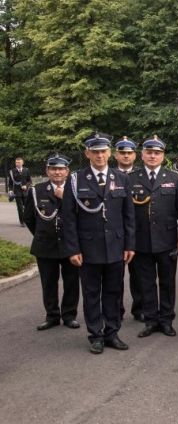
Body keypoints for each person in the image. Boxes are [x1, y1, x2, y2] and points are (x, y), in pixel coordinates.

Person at [61, 133, 135, 354]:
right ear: (87, 154)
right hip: (88, 249)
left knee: (114, 292)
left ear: (110, 153)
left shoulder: (121, 178)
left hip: (116, 247)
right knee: (92, 293)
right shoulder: (75, 180)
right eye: (95, 152)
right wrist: (73, 249)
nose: (100, 155)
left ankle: (112, 332)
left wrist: (130, 245)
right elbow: (69, 218)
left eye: (103, 151)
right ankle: (96, 335)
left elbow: (128, 216)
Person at [130, 136, 178, 338]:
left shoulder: (174, 177)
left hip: (167, 239)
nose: (153, 156)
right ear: (142, 154)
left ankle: (167, 320)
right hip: (141, 241)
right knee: (146, 283)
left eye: (157, 153)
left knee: (167, 282)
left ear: (163, 156)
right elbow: (127, 215)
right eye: (149, 152)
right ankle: (151, 320)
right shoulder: (131, 179)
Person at [23, 153, 80, 331]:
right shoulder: (36, 191)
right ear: (47, 171)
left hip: (70, 245)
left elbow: (82, 216)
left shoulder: (75, 189)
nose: (57, 172)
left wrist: (65, 197)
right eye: (53, 169)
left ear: (67, 171)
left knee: (71, 282)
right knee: (48, 282)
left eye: (61, 169)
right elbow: (29, 218)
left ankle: (70, 315)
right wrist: (42, 234)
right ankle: (52, 316)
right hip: (45, 245)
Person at [114, 136, 143, 322]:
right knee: (115, 277)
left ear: (135, 155)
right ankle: (116, 310)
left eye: (129, 153)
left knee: (138, 276)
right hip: (115, 235)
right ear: (115, 155)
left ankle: (139, 308)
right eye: (122, 153)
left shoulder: (141, 176)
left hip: (137, 234)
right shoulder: (108, 176)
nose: (126, 156)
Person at [8, 156, 32, 226]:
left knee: (27, 207)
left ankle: (27, 220)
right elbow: (10, 183)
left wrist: (26, 186)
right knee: (20, 208)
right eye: (16, 162)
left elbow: (29, 181)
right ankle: (22, 222)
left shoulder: (26, 170)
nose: (17, 163)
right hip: (17, 192)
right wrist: (10, 191)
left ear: (22, 163)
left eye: (19, 162)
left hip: (25, 192)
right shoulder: (12, 171)